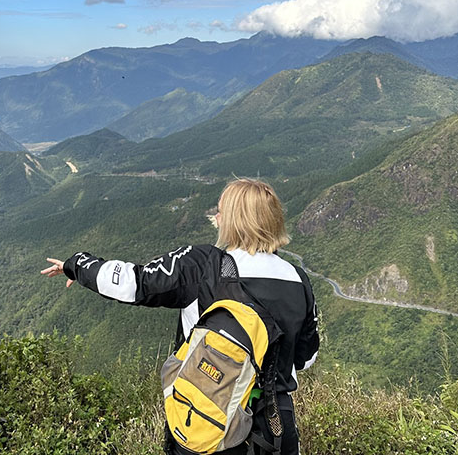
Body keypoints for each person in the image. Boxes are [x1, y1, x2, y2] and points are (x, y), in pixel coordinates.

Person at [41, 177, 318, 455]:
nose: (217, 217)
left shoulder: (204, 266)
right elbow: (305, 358)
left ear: (235, 219)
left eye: (221, 211)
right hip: (275, 428)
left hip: (207, 421)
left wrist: (77, 265)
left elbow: (133, 283)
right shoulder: (298, 280)